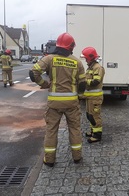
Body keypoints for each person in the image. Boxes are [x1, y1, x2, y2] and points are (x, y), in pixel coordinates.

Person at [30, 33, 86, 167]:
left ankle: (49, 160)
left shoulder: (49, 59)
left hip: (54, 103)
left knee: (51, 130)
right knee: (75, 129)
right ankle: (77, 157)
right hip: (72, 103)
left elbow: (33, 72)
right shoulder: (77, 62)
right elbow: (83, 84)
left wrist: (43, 83)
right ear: (71, 46)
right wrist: (79, 95)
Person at [81, 47, 105, 143]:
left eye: (86, 58)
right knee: (89, 115)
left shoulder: (98, 68)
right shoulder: (91, 67)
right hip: (90, 97)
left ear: (91, 57)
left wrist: (83, 81)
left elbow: (96, 81)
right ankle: (92, 131)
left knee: (95, 116)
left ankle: (97, 135)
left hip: (95, 98)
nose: (85, 60)